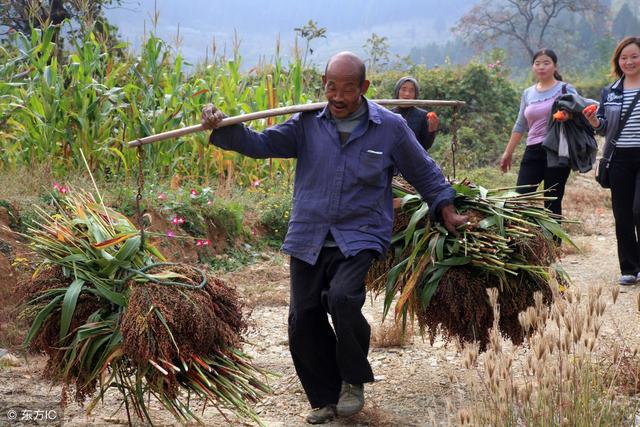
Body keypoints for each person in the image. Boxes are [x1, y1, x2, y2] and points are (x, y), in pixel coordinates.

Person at [201, 52, 467, 424]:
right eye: (331, 87)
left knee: (342, 298)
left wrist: (445, 207)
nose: (337, 97)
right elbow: (262, 144)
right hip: (309, 232)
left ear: (364, 88)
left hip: (359, 232)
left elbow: (424, 171)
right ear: (323, 84)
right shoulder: (308, 122)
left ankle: (352, 379)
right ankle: (325, 397)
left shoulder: (389, 127)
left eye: (347, 89)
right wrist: (223, 127)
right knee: (303, 317)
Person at [583, 36, 640, 286]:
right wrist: (595, 121)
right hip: (618, 158)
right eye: (624, 57)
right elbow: (604, 127)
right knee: (623, 214)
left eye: (634, 56)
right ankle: (629, 268)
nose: (629, 61)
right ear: (618, 61)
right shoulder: (611, 91)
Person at [500, 49, 578, 217]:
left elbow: (581, 112)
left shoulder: (565, 89)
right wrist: (508, 152)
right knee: (520, 199)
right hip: (533, 150)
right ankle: (524, 242)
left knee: (552, 202)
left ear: (555, 66)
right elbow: (520, 124)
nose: (541, 67)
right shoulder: (528, 93)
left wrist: (568, 115)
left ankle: (553, 243)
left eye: (546, 63)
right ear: (533, 67)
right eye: (537, 63)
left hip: (557, 150)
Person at [391, 76, 439, 151]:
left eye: (411, 90)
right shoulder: (389, 114)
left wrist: (432, 130)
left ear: (415, 95)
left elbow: (426, 146)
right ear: (397, 91)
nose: (407, 94)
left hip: (414, 160)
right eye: (403, 89)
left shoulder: (423, 115)